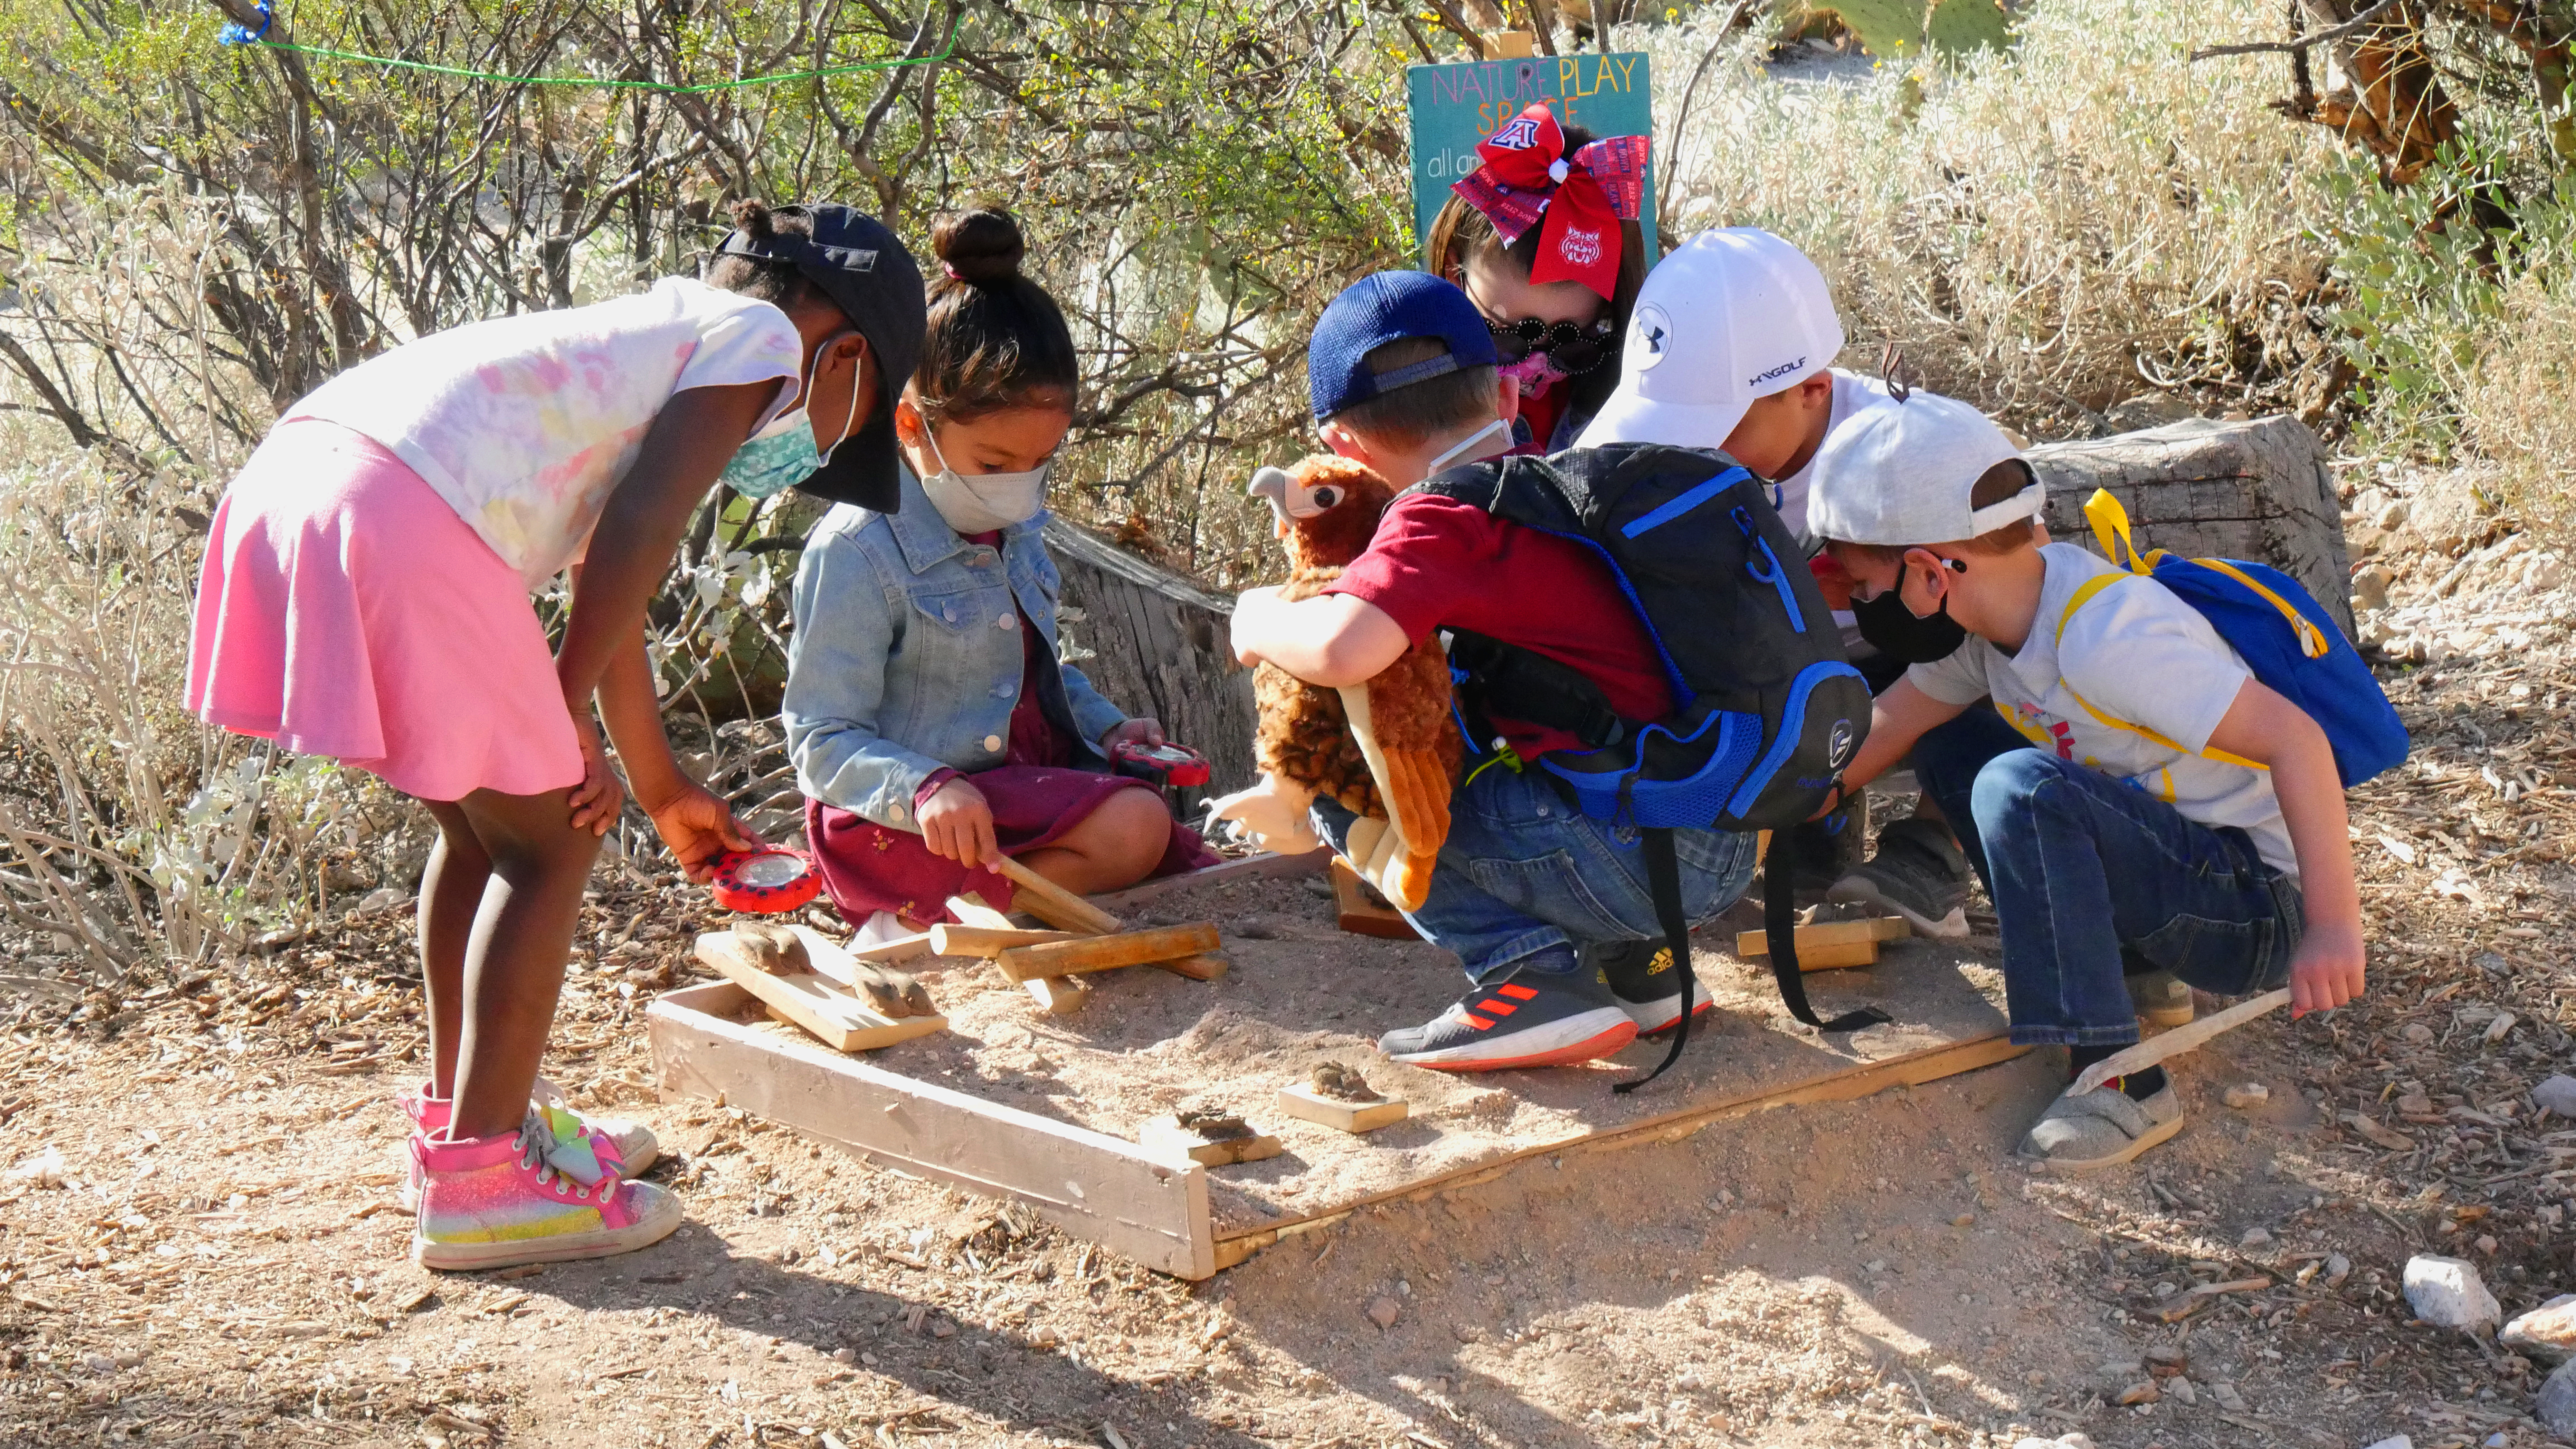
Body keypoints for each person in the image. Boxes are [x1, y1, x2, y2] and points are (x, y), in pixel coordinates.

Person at [187, 200, 927, 1268]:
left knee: (489, 835)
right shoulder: (763, 340)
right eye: (847, 418)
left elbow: (603, 573)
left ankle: (464, 1129)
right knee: (552, 841)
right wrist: (564, 705)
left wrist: (662, 785)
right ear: (844, 350)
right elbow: (640, 532)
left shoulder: (649, 339)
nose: (818, 444)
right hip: (404, 510)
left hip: (310, 476)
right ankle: (485, 1181)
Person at [1804, 393, 2366, 1170]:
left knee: (2021, 789)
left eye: (1864, 588)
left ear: (1931, 574)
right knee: (1955, 741)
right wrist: (1747, 811)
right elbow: (1885, 729)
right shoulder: (1994, 625)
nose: (1862, 606)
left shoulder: (2107, 637)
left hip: (2257, 907)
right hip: (2180, 868)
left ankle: (2117, 1080)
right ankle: (2135, 968)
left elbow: (2297, 742)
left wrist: (2334, 928)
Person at [1229, 271, 1760, 1070]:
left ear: (1343, 446)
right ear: (1509, 399)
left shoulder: (1445, 518)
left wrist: (1257, 619)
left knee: (1349, 774)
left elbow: (1343, 651)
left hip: (1635, 858)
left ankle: (1530, 976)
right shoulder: (1567, 485)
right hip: (1723, 836)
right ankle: (1643, 970)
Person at [785, 209, 1215, 932]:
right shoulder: (856, 551)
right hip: (902, 825)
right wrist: (923, 788)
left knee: (1150, 820)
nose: (1020, 485)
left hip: (1014, 790)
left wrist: (1111, 733)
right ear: (911, 425)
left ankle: (1002, 906)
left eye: (1040, 463)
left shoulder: (1013, 528)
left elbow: (1037, 674)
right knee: (1139, 830)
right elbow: (820, 741)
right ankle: (947, 920)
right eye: (995, 464)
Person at [1425, 102, 1649, 456]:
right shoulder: (1413, 403)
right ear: (1455, 275)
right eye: (1508, 339)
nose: (1533, 370)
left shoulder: (1632, 411)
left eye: (1573, 346)